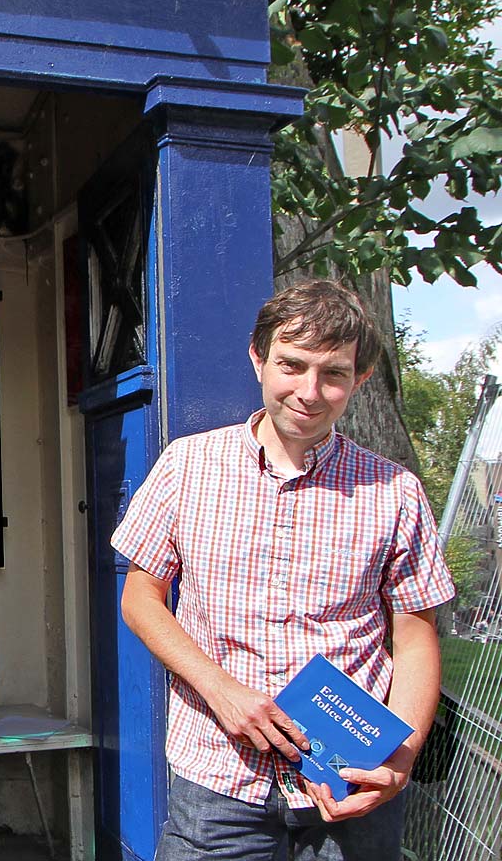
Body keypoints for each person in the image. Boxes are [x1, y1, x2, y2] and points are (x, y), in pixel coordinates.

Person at [112, 280, 455, 861]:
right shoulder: (187, 466)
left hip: (349, 786)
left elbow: (416, 637)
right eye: (291, 366)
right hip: (217, 778)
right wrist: (220, 690)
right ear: (258, 357)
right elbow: (141, 598)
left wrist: (399, 760)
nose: (309, 392)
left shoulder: (395, 492)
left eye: (334, 374)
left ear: (361, 378)